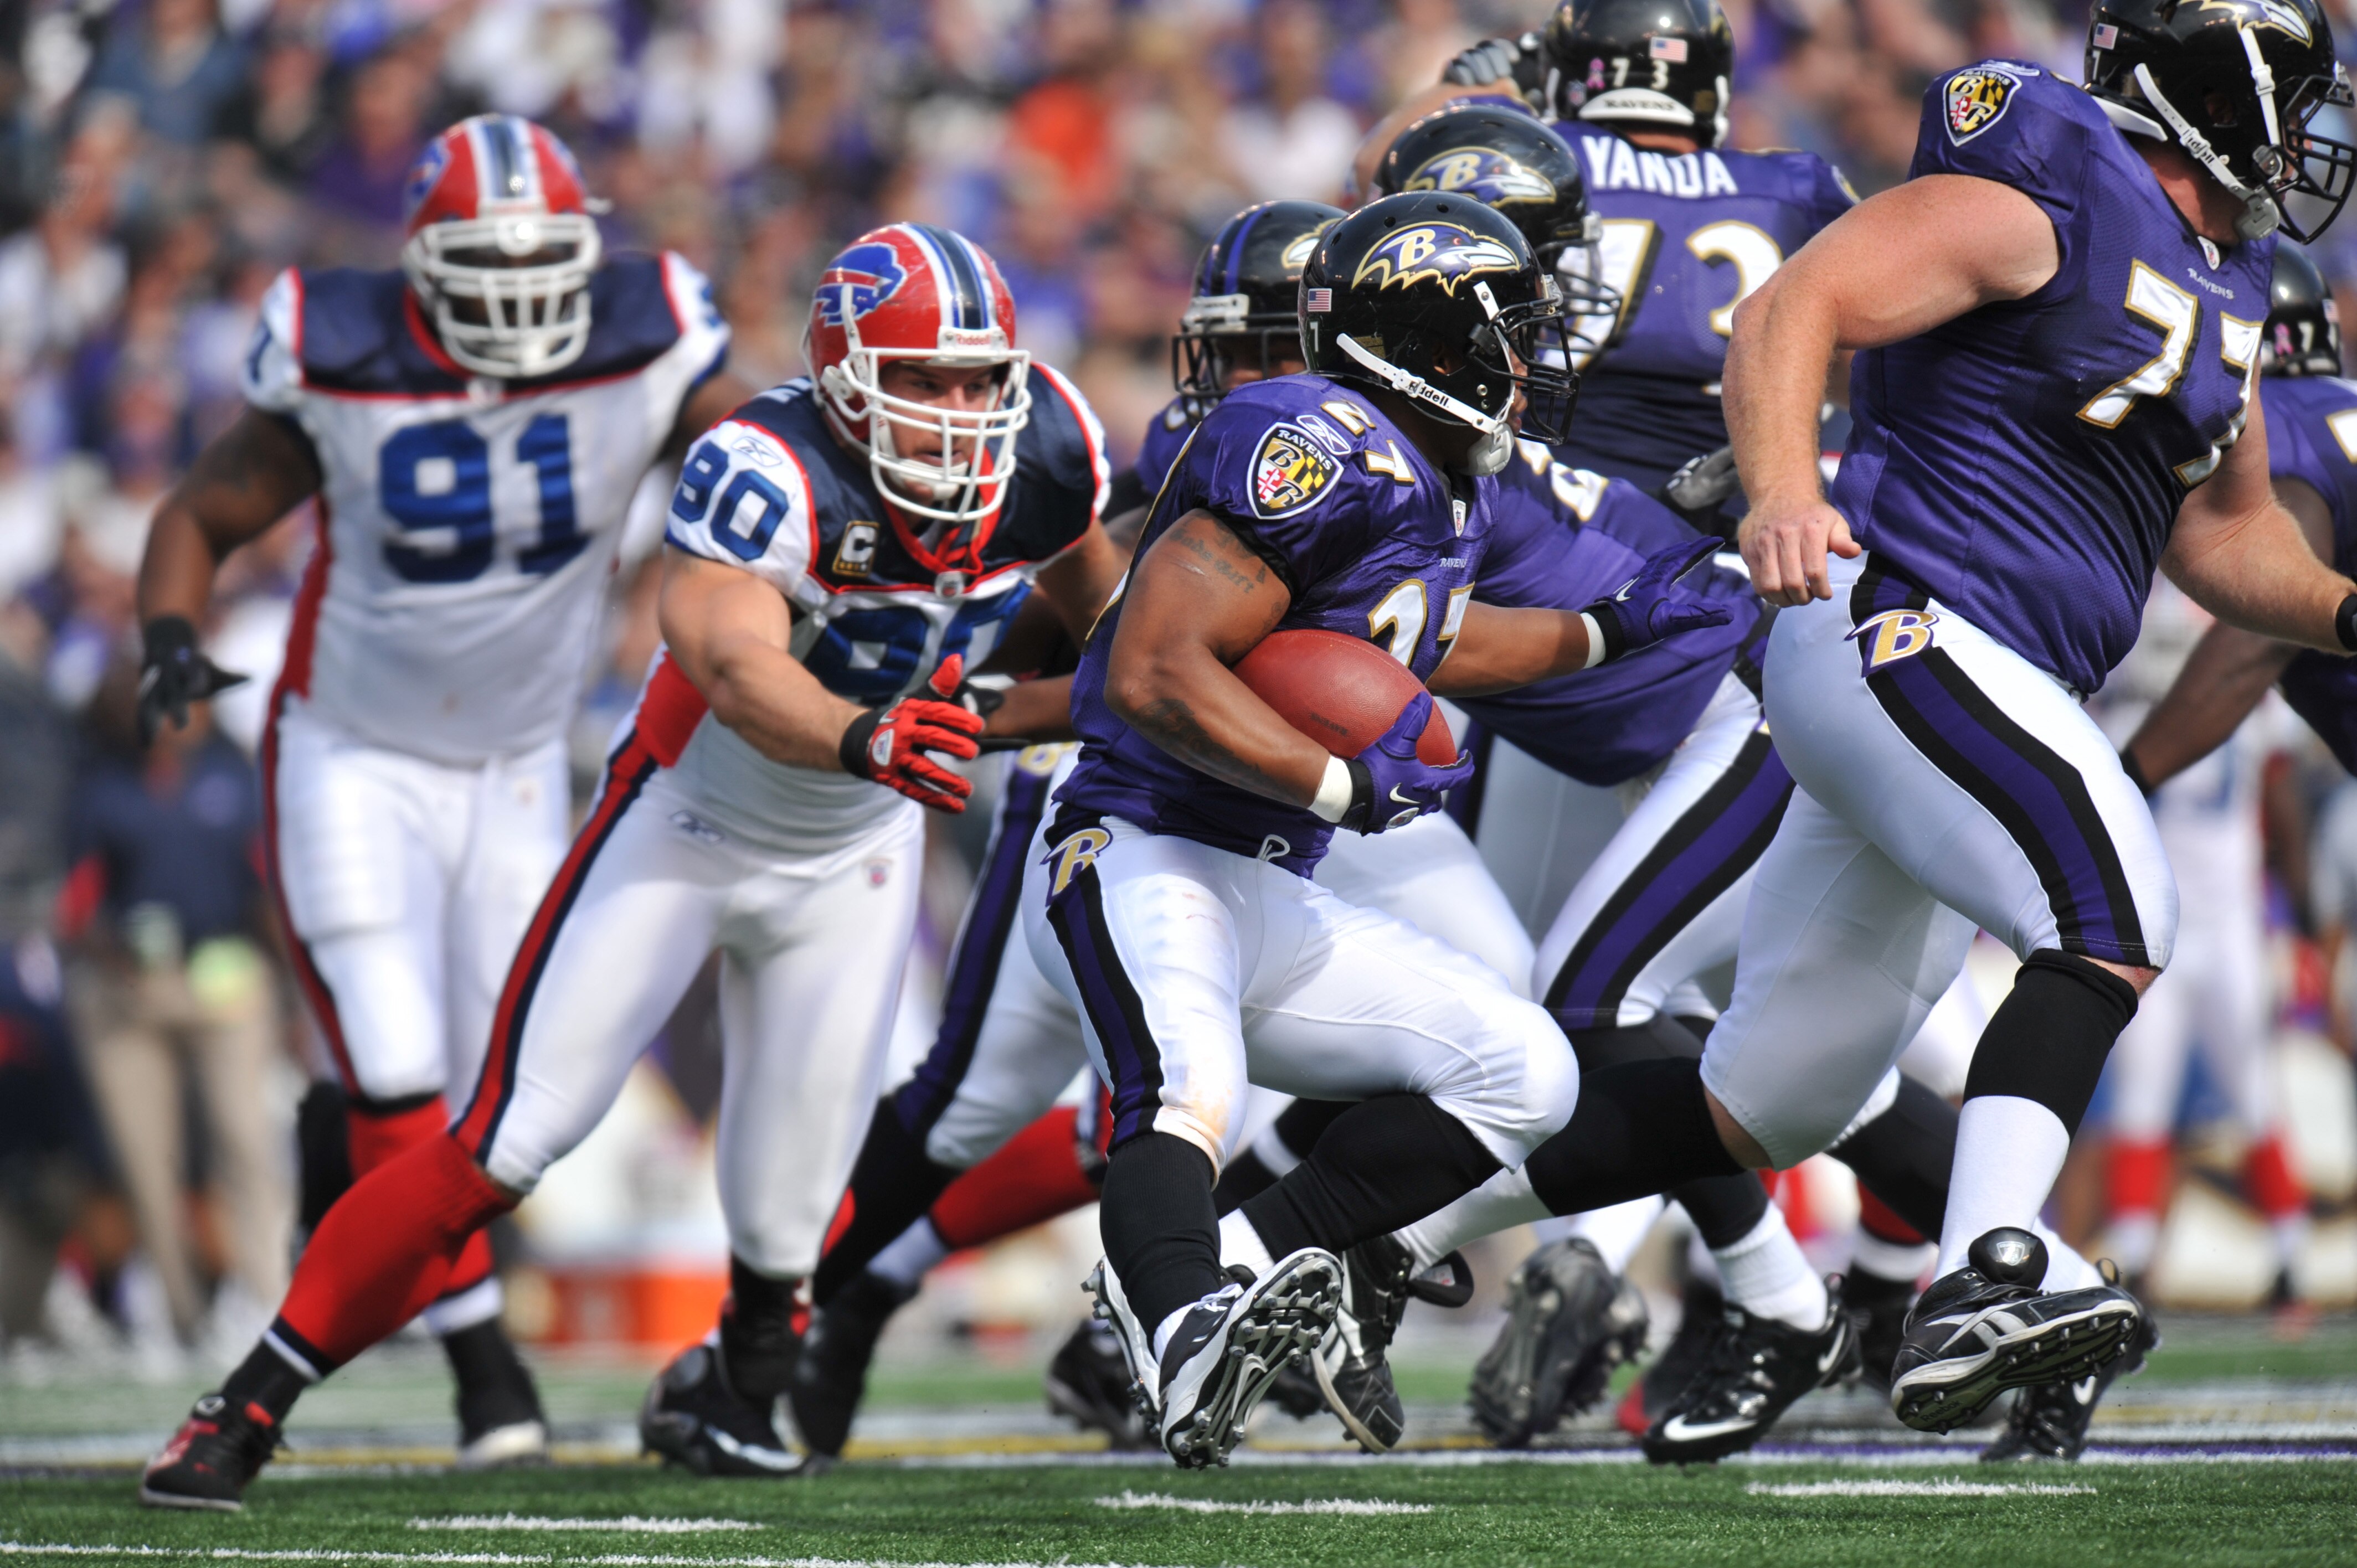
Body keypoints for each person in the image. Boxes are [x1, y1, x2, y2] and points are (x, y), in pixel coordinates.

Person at [1463, 0, 2357, 1458]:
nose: (2311, 129)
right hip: (1896, 627)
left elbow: (2229, 540)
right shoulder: (2054, 178)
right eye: (2289, 92)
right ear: (2190, 86)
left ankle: (1345, 1218)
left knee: (1775, 1089)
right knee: (2115, 902)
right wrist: (1776, 492)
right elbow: (1798, 305)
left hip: (1979, 682)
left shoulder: (2238, 271)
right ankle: (1983, 1268)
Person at [138, 222, 1125, 1510]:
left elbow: (1114, 652)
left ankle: (722, 1393)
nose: (956, 410)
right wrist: (870, 729)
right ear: (841, 371)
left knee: (787, 1224)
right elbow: (727, 655)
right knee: (501, 1143)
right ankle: (249, 1400)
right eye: (923, 379)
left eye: (974, 378)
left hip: (856, 852)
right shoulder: (767, 464)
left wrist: (998, 710)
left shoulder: (1046, 447)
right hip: (693, 821)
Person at [1023, 189, 1735, 1469]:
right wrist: (1337, 784)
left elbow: (1431, 641)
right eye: (1507, 326)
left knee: (1526, 1067)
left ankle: (1258, 1262)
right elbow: (1153, 669)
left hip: (1271, 884)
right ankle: (1181, 1334)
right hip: (1145, 843)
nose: (1529, 356)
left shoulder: (1430, 476)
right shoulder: (1314, 438)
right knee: (1185, 1089)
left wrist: (1619, 625)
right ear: (1430, 334)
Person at [133, 113, 745, 1465]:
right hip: (349, 754)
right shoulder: (346, 353)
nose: (521, 299)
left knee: (498, 1097)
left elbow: (758, 461)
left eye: (546, 266)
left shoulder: (649, 337)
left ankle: (342, 1167)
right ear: (420, 268)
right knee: (400, 1074)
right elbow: (201, 512)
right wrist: (171, 630)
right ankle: (486, 1366)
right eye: (484, 266)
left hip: (519, 767)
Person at [1382, 0, 1856, 503]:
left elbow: (1377, 189)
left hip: (1559, 488)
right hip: (1747, 498)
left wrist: (1465, 87)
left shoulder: (1535, 157)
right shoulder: (1796, 183)